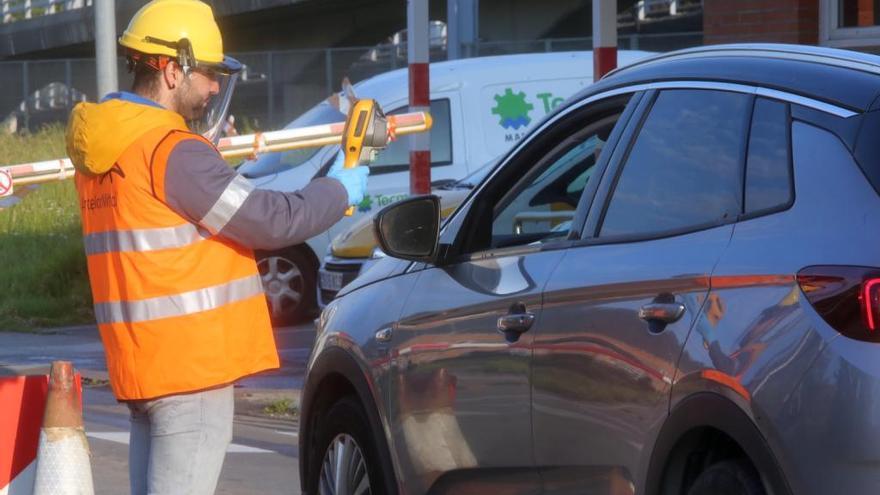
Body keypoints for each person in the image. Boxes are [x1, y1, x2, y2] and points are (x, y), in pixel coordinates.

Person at [65, 1, 368, 494]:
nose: (212, 88)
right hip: (192, 371)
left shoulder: (104, 150)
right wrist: (339, 191)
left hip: (143, 368)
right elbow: (269, 221)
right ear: (169, 69)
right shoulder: (171, 150)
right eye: (206, 73)